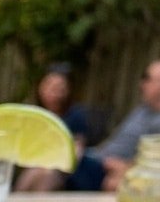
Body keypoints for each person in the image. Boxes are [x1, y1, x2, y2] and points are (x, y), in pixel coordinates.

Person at [64, 60, 160, 192]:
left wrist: (128, 168)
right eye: (146, 79)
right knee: (51, 164)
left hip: (105, 169)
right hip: (95, 158)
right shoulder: (142, 110)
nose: (143, 84)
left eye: (151, 80)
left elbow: (153, 161)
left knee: (55, 167)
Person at [15, 65, 91, 191]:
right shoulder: (35, 114)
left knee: (45, 175)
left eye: (59, 88)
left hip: (64, 171)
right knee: (33, 174)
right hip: (36, 165)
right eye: (49, 86)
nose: (53, 92)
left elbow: (77, 150)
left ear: (67, 90)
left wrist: (54, 165)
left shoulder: (75, 116)